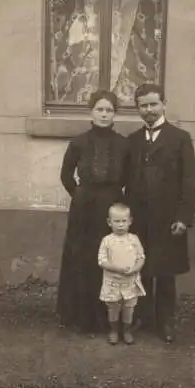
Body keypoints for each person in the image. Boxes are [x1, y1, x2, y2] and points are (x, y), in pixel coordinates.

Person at [125, 83, 195, 343]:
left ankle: (166, 321)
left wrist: (183, 217)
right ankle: (143, 317)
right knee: (140, 269)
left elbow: (189, 181)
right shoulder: (132, 141)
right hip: (140, 218)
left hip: (168, 218)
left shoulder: (180, 139)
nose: (149, 110)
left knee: (166, 271)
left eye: (153, 104)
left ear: (164, 104)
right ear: (138, 109)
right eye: (143, 106)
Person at [56, 90, 129, 334]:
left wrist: (119, 205)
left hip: (110, 205)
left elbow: (129, 177)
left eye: (109, 110)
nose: (104, 114)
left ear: (114, 113)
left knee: (108, 256)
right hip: (84, 207)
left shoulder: (123, 144)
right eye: (100, 109)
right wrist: (79, 195)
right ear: (91, 111)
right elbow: (66, 175)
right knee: (83, 257)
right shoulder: (78, 142)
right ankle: (80, 316)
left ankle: (106, 317)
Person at [98, 203, 146, 345]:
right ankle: (113, 330)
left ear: (130, 221)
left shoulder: (134, 239)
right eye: (116, 221)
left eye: (124, 221)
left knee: (128, 309)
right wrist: (117, 268)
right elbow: (101, 261)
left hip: (129, 282)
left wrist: (135, 268)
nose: (120, 225)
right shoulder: (107, 240)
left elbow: (141, 257)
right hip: (112, 283)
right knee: (113, 308)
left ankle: (126, 330)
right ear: (109, 222)